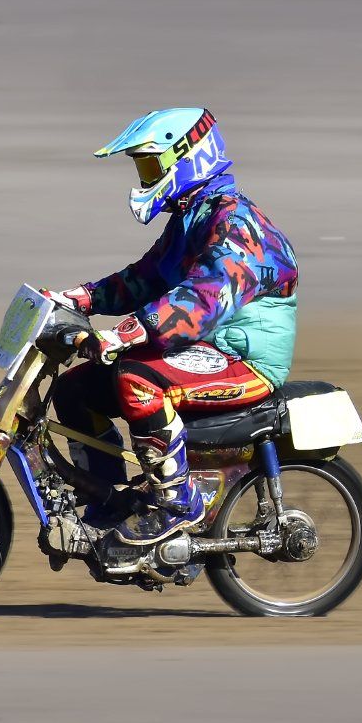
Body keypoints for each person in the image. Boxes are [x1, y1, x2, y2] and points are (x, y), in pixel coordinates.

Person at [47, 107, 299, 546]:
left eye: (150, 165)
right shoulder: (193, 219)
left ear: (188, 159)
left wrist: (127, 332)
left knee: (136, 379)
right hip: (206, 351)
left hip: (245, 363)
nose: (144, 177)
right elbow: (145, 278)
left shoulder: (238, 226)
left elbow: (202, 299)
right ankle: (108, 498)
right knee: (74, 389)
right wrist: (80, 297)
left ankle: (178, 501)